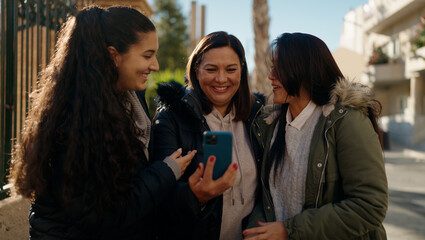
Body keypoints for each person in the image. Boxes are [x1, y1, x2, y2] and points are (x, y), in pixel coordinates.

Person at [8, 6, 196, 240]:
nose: (155, 65)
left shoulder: (127, 98)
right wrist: (166, 172)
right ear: (114, 55)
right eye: (147, 56)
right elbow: (104, 215)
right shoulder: (77, 120)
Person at [243, 32, 388, 240]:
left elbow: (369, 205)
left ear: (304, 71)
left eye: (279, 68)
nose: (270, 76)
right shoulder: (270, 126)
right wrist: (253, 232)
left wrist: (289, 230)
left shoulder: (346, 121)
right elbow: (268, 199)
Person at [151, 31, 265, 240]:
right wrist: (196, 196)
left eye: (231, 69)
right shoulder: (171, 119)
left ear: (242, 70)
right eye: (211, 69)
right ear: (196, 70)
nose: (221, 79)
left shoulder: (258, 116)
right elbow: (157, 196)